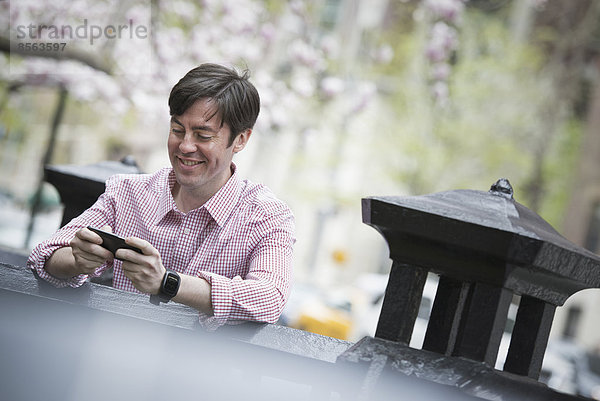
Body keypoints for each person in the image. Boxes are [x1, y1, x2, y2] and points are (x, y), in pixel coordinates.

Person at [27, 63, 295, 330]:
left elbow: (270, 298)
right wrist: (78, 259)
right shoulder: (127, 192)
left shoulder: (267, 216)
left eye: (203, 135)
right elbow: (44, 255)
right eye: (178, 130)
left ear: (241, 140)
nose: (185, 146)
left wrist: (167, 282)